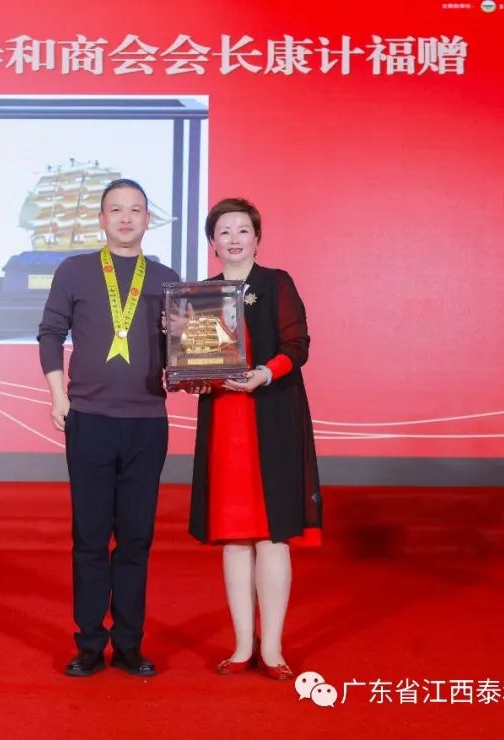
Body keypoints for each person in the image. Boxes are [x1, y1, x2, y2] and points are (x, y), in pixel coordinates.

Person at [37, 178, 181, 678]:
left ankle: (129, 645)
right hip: (90, 420)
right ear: (101, 219)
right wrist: (59, 396)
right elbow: (50, 333)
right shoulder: (74, 270)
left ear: (147, 219)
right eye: (115, 210)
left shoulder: (166, 279)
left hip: (147, 422)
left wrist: (192, 356)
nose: (125, 218)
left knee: (137, 539)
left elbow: (182, 351)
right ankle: (89, 644)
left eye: (135, 210)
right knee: (91, 538)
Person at [186, 197, 322, 680]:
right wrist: (192, 376)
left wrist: (265, 373)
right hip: (225, 421)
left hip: (272, 415)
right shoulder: (198, 295)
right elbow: (195, 362)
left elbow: (297, 345)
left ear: (257, 238)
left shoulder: (276, 283)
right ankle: (243, 645)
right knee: (234, 536)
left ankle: (275, 649)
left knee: (272, 535)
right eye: (224, 231)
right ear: (212, 242)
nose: (234, 238)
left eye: (243, 230)